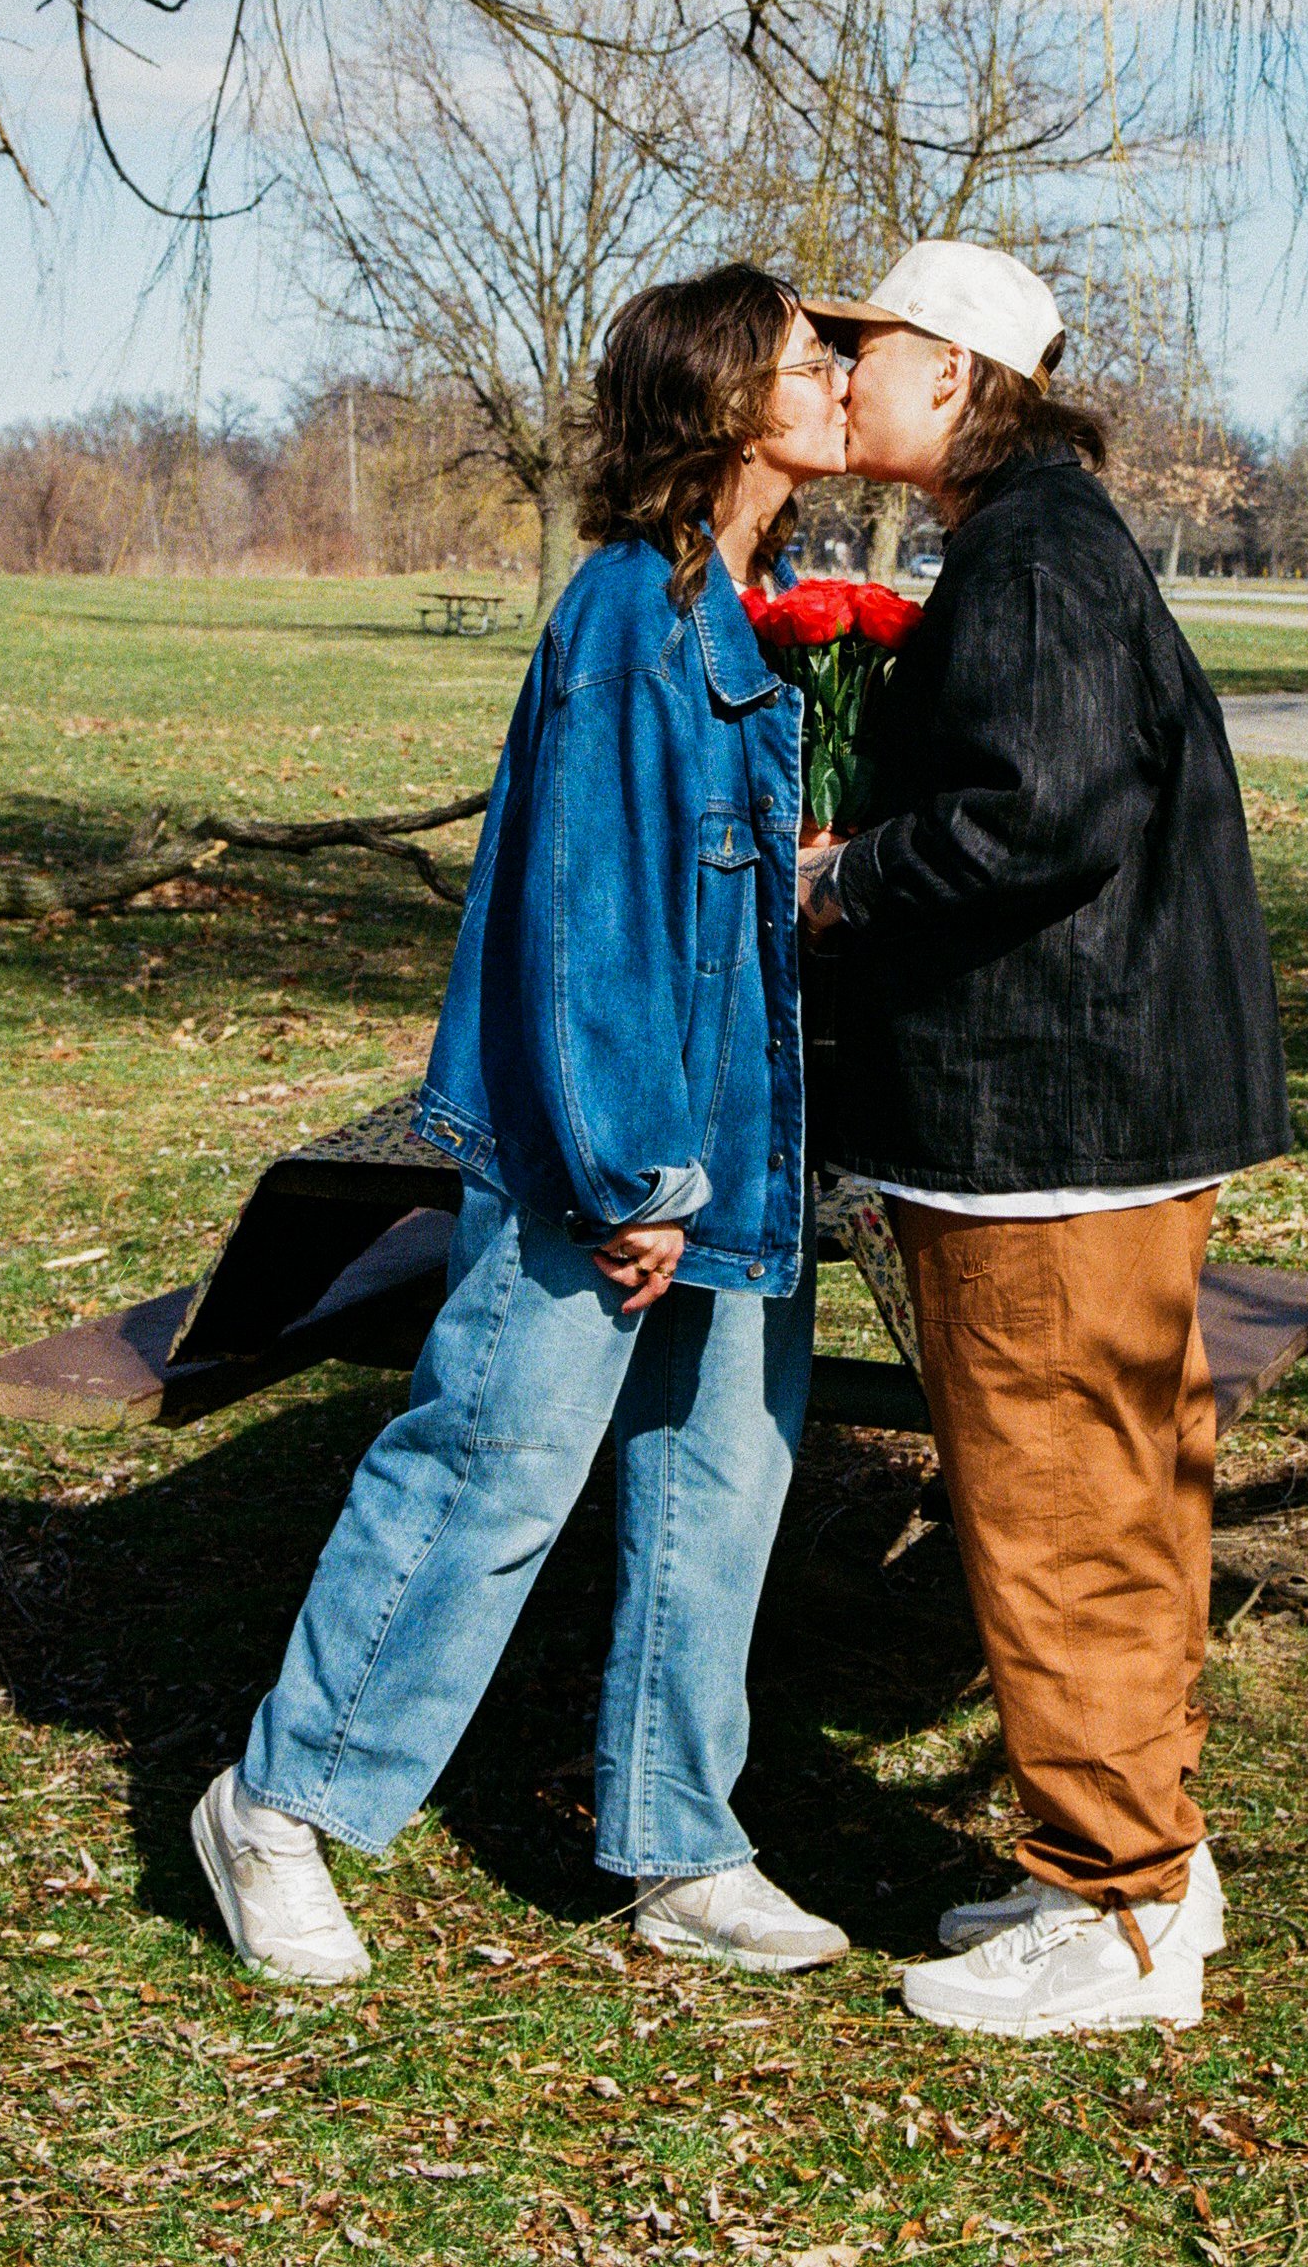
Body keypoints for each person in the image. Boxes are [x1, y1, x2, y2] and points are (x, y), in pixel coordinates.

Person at [193, 266, 852, 1985]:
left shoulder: (754, 609)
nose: (842, 380)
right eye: (809, 358)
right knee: (490, 1468)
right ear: (723, 402)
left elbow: (715, 910)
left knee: (721, 1483)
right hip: (609, 1159)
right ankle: (278, 1804)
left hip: (736, 1158)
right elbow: (590, 927)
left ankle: (681, 1841)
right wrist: (632, 1171)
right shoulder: (632, 617)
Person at [799, 241, 1291, 2038]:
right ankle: (1145, 1855)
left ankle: (1122, 1917)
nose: (837, 373)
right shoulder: (1047, 538)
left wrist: (842, 880)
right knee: (1130, 1489)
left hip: (1046, 1120)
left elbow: (1037, 815)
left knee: (1058, 1506)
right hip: (1097, 1111)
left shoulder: (1028, 555)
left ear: (950, 368)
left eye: (861, 349)